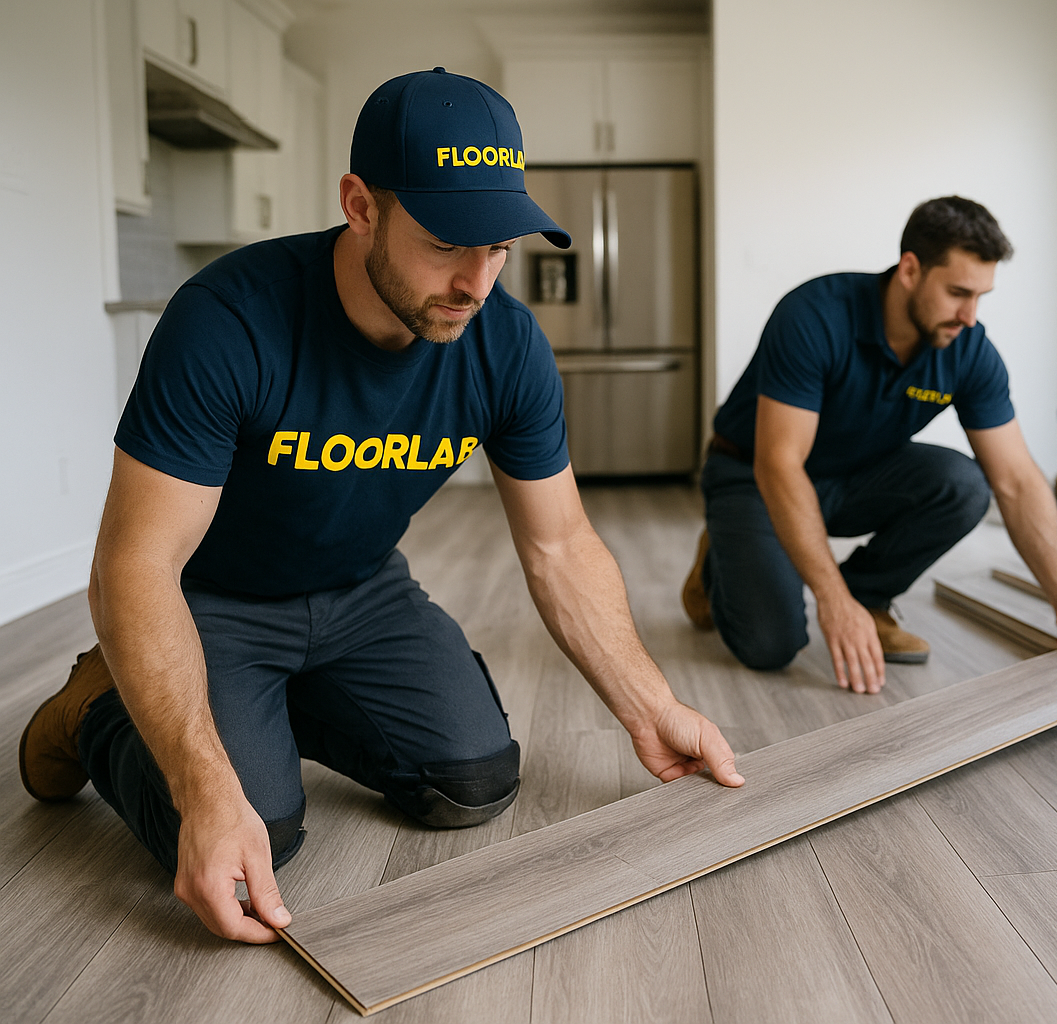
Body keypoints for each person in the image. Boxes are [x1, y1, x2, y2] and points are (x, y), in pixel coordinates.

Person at [18, 68, 742, 947]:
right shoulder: (228, 321)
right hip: (212, 604)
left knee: (472, 781)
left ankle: (261, 713)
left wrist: (649, 704)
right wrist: (208, 785)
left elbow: (559, 546)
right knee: (253, 837)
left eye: (500, 245)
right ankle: (96, 708)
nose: (478, 282)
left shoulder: (504, 345)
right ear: (361, 205)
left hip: (362, 596)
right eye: (446, 242)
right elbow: (134, 565)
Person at [682, 197, 1057, 695]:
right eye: (957, 293)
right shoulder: (814, 316)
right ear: (910, 269)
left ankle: (867, 597)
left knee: (965, 484)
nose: (970, 316)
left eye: (981, 296)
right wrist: (828, 597)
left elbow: (1015, 480)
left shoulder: (968, 350)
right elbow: (778, 463)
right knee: (769, 645)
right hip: (754, 477)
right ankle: (721, 558)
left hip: (853, 475)